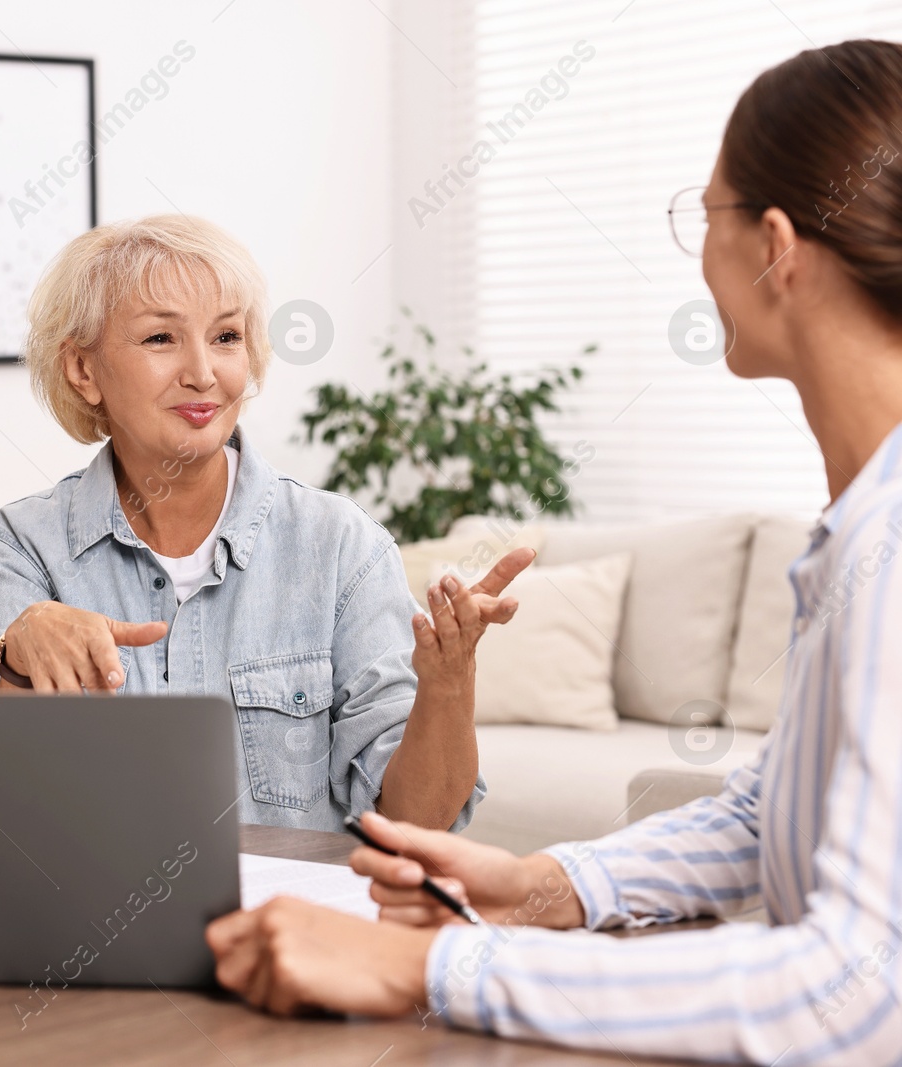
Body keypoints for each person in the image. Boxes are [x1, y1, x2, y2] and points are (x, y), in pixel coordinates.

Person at [205, 39, 902, 1064]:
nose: (698, 257)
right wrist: (543, 885)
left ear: (775, 247)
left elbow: (857, 989)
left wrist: (427, 968)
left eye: (703, 218)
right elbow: (776, 810)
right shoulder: (854, 527)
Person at [0, 215, 533, 832]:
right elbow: (7, 805)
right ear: (83, 370)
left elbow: (417, 822)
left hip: (295, 923)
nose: (203, 373)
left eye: (227, 337)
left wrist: (448, 685)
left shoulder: (342, 544)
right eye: (161, 338)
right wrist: (19, 655)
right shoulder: (26, 546)